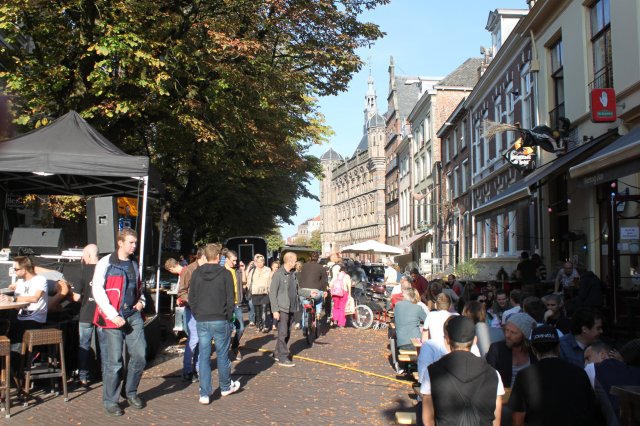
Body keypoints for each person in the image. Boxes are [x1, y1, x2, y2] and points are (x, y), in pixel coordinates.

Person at [92, 228, 146, 417]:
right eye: (131, 242)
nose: (134, 246)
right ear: (120, 243)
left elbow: (139, 287)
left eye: (135, 242)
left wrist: (142, 302)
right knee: (114, 362)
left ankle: (129, 391)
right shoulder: (105, 262)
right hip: (111, 318)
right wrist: (112, 314)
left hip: (132, 314)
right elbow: (97, 291)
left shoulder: (134, 263)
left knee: (140, 355)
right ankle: (111, 401)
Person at [509, 325, 602, 426]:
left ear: (533, 349)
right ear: (558, 347)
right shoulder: (579, 372)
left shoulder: (524, 375)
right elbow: (593, 411)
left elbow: (517, 419)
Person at [422, 316, 504, 426]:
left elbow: (428, 420)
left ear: (447, 339)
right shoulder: (494, 374)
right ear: (475, 340)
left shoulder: (432, 372)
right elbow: (496, 421)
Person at [188, 243, 240, 404]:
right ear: (218, 257)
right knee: (222, 355)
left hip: (202, 319)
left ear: (205, 256)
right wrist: (229, 316)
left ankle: (204, 393)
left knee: (204, 356)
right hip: (220, 319)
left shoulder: (196, 273)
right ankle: (225, 387)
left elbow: (192, 297)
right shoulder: (225, 274)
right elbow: (230, 299)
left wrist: (197, 314)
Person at [165, 248, 206, 382]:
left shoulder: (204, 269)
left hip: (203, 310)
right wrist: (193, 303)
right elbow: (182, 292)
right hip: (193, 310)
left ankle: (198, 369)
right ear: (202, 257)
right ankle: (188, 370)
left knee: (201, 340)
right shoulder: (189, 270)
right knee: (194, 340)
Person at [0, 256, 48, 359]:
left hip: (34, 318)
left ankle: (15, 367)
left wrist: (12, 299)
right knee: (5, 327)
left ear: (24, 269)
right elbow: (17, 302)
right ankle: (7, 364)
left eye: (16, 269)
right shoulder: (21, 282)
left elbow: (35, 298)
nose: (14, 271)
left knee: (16, 336)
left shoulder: (40, 280)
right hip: (20, 317)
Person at [584, 341, 640, 426]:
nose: (585, 364)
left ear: (603, 355)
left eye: (587, 358)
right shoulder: (636, 372)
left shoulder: (591, 368)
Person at [486, 312, 537, 388]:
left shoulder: (534, 352)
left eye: (513, 333)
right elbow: (489, 379)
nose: (507, 335)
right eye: (506, 330)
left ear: (524, 336)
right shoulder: (496, 349)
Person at [75, 244, 101, 386]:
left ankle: (83, 376)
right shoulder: (105, 270)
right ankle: (103, 372)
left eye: (84, 255)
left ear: (88, 256)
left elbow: (76, 297)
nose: (82, 258)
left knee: (84, 345)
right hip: (102, 313)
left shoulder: (83, 272)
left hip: (86, 314)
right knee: (104, 344)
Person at [269, 251, 300, 367]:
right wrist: (275, 310)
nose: (296, 262)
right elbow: (272, 293)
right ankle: (283, 357)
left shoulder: (293, 274)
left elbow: (298, 290)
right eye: (295, 260)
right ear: (290, 261)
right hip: (282, 308)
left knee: (287, 333)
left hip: (291, 307)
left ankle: (277, 353)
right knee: (282, 333)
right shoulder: (278, 274)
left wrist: (309, 293)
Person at [223, 249, 245, 362]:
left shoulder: (237, 270)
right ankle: (224, 352)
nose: (235, 263)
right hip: (226, 305)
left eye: (236, 260)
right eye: (233, 261)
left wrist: (243, 270)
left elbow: (244, 283)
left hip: (237, 304)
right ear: (227, 259)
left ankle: (234, 346)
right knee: (227, 329)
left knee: (241, 328)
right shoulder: (221, 271)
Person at [298, 252, 328, 331]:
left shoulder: (304, 266)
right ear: (318, 258)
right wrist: (324, 290)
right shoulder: (321, 267)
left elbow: (300, 278)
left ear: (310, 258)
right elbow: (324, 280)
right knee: (320, 297)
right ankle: (318, 313)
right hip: (315, 291)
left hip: (303, 291)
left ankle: (304, 328)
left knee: (305, 308)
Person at [246, 254, 272, 333]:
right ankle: (258, 325)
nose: (260, 263)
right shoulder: (253, 270)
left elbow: (270, 280)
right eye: (258, 262)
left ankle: (264, 326)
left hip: (265, 293)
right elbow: (248, 281)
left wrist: (270, 291)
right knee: (257, 311)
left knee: (264, 309)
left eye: (262, 261)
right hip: (255, 293)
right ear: (256, 262)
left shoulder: (268, 270)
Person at [329, 264, 351, 328]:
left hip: (335, 293)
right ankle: (341, 324)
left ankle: (335, 320)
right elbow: (349, 285)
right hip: (344, 293)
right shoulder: (347, 276)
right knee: (342, 308)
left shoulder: (336, 276)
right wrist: (349, 294)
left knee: (335, 307)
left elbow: (331, 285)